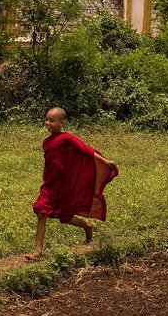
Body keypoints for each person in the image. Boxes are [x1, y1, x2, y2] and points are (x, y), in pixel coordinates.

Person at [29, 107, 118, 259]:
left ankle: (87, 226)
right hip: (50, 184)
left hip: (65, 185)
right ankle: (37, 251)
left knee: (65, 217)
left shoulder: (66, 138)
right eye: (46, 119)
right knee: (41, 212)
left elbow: (86, 150)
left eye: (52, 120)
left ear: (61, 122)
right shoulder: (46, 141)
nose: (48, 123)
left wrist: (105, 161)